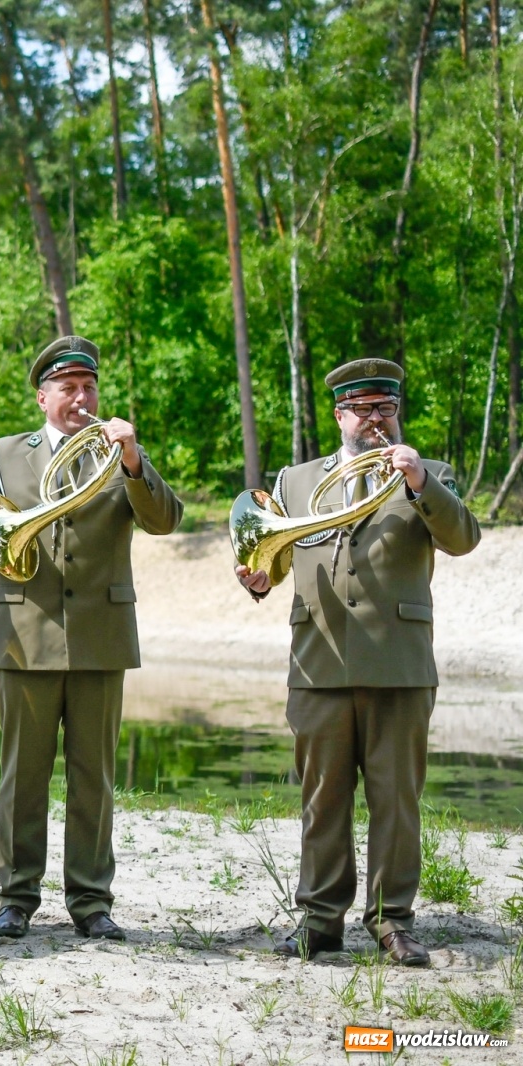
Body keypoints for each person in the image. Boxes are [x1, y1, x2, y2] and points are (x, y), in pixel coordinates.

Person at [236, 358, 480, 965]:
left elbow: (463, 538)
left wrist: (421, 481)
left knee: (396, 800)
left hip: (398, 666)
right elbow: (276, 561)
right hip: (319, 662)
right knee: (322, 798)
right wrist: (258, 580)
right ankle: (320, 920)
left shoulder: (430, 474)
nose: (377, 420)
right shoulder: (295, 481)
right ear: (339, 414)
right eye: (365, 409)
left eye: (387, 408)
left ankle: (392, 919)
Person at [0, 335, 182, 941]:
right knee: (21, 777)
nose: (81, 398)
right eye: (68, 389)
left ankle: (90, 901)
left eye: (89, 387)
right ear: (42, 397)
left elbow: (166, 519)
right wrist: (6, 530)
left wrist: (133, 461)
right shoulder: (3, 456)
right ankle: (15, 898)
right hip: (25, 636)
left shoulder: (118, 451)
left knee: (93, 778)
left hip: (101, 637)